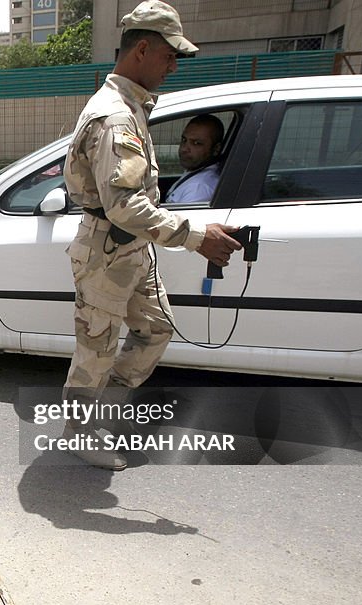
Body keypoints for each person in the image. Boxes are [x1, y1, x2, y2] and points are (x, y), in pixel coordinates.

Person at [60, 0, 241, 470]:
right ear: (143, 49)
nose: (173, 66)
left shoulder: (131, 106)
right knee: (96, 349)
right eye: (169, 56)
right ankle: (78, 430)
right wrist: (197, 236)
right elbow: (123, 205)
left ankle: (96, 414)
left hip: (131, 251)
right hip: (107, 251)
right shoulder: (116, 116)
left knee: (156, 328)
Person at [166, 114, 225, 204]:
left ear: (216, 149)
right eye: (184, 140)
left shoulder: (199, 188)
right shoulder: (198, 171)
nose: (184, 149)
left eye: (196, 143)